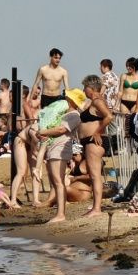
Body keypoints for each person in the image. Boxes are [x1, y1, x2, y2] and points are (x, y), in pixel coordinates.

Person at [36, 89, 86, 224]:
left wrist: (43, 131)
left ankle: (61, 214)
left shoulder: (74, 115)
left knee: (58, 181)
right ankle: (59, 212)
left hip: (60, 149)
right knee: (56, 181)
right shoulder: (68, 113)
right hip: (56, 148)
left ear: (71, 100)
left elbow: (61, 130)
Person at [78, 74, 115, 217]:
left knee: (95, 176)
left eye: (84, 87)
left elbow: (109, 116)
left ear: (91, 88)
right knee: (94, 175)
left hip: (95, 142)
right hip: (91, 141)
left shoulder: (97, 101)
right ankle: (95, 207)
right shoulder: (96, 100)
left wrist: (98, 132)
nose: (83, 90)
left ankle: (97, 209)